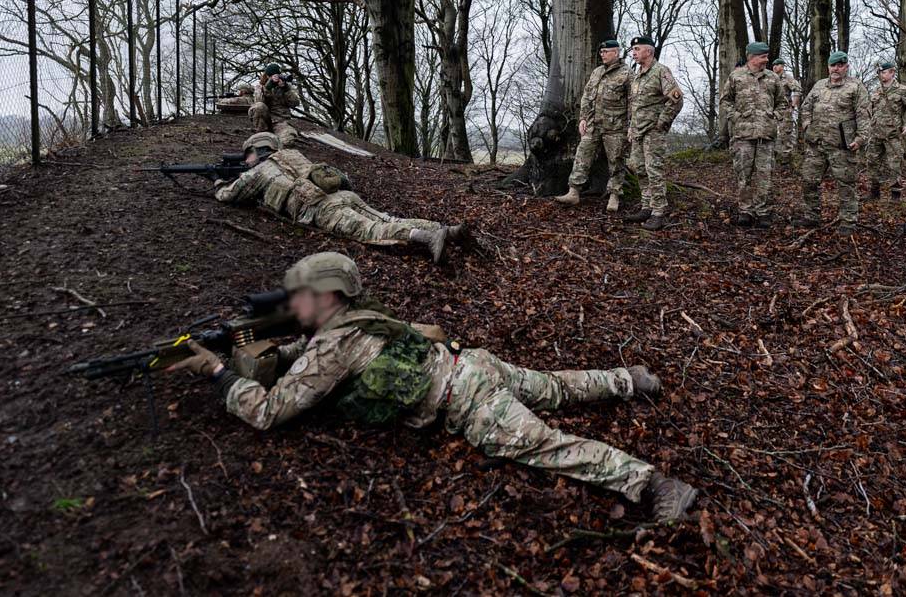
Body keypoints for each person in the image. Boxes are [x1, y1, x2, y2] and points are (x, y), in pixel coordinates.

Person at [167, 252, 699, 525]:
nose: (290, 306)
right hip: (472, 365)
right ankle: (631, 380)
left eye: (296, 297)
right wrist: (264, 350)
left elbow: (269, 412)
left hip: (469, 403)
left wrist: (219, 374)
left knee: (549, 446)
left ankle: (654, 486)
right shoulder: (359, 317)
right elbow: (313, 354)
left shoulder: (335, 344)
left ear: (325, 297)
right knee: (554, 387)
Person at [214, 133, 468, 264]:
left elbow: (230, 195)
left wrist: (217, 182)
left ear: (254, 152)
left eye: (247, 155)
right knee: (387, 217)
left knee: (372, 231)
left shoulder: (260, 170)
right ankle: (447, 230)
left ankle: (427, 237)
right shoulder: (291, 155)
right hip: (343, 194)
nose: (245, 160)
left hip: (322, 207)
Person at [795, 51, 871, 236]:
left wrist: (860, 139)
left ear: (846, 66)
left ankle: (848, 221)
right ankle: (811, 216)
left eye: (840, 65)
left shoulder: (855, 87)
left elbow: (864, 114)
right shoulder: (820, 85)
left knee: (846, 184)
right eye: (832, 65)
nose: (835, 69)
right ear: (828, 67)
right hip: (817, 144)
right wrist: (806, 126)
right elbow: (805, 107)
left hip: (842, 145)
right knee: (809, 181)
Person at [555, 39, 631, 213]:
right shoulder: (597, 72)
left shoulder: (627, 74)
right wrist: (583, 118)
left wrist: (631, 126)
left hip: (616, 127)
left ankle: (614, 196)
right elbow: (587, 96)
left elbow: (633, 102)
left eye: (606, 52)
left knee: (616, 161)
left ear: (616, 53)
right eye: (601, 52)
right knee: (582, 155)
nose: (602, 54)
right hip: (593, 124)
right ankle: (574, 192)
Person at [720, 41, 783, 227]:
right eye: (763, 56)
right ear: (751, 57)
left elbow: (783, 103)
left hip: (766, 135)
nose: (766, 59)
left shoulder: (772, 78)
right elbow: (725, 101)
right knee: (743, 175)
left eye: (766, 56)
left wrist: (774, 116)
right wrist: (737, 116)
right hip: (743, 136)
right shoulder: (736, 76)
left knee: (765, 176)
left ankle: (762, 212)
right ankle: (745, 211)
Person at [625, 36, 685, 230]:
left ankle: (659, 211)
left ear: (649, 51)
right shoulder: (637, 75)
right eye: (632, 49)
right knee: (639, 169)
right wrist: (631, 128)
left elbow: (676, 99)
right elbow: (635, 106)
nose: (633, 52)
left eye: (637, 48)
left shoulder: (661, 72)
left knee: (654, 171)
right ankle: (646, 206)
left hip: (653, 132)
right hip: (638, 132)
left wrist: (662, 123)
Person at [866, 60, 906, 200]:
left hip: (893, 135)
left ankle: (895, 196)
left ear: (892, 72)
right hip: (875, 133)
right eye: (879, 73)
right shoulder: (877, 90)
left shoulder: (902, 90)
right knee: (872, 162)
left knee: (894, 166)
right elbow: (870, 110)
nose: (881, 75)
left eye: (884, 72)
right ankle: (874, 193)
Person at [250, 63, 301, 134]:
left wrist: (286, 90)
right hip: (265, 121)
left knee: (288, 137)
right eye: (273, 76)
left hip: (280, 122)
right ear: (267, 76)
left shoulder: (286, 87)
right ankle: (261, 133)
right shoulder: (260, 87)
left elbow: (295, 103)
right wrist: (267, 88)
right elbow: (258, 102)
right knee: (259, 106)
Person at [771, 58, 802, 166]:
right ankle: (773, 160)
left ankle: (786, 162)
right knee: (772, 134)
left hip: (784, 111)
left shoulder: (788, 78)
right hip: (772, 111)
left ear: (782, 66)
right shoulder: (771, 78)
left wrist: (793, 105)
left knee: (786, 136)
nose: (775, 66)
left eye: (777, 64)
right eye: (773, 65)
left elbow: (798, 90)